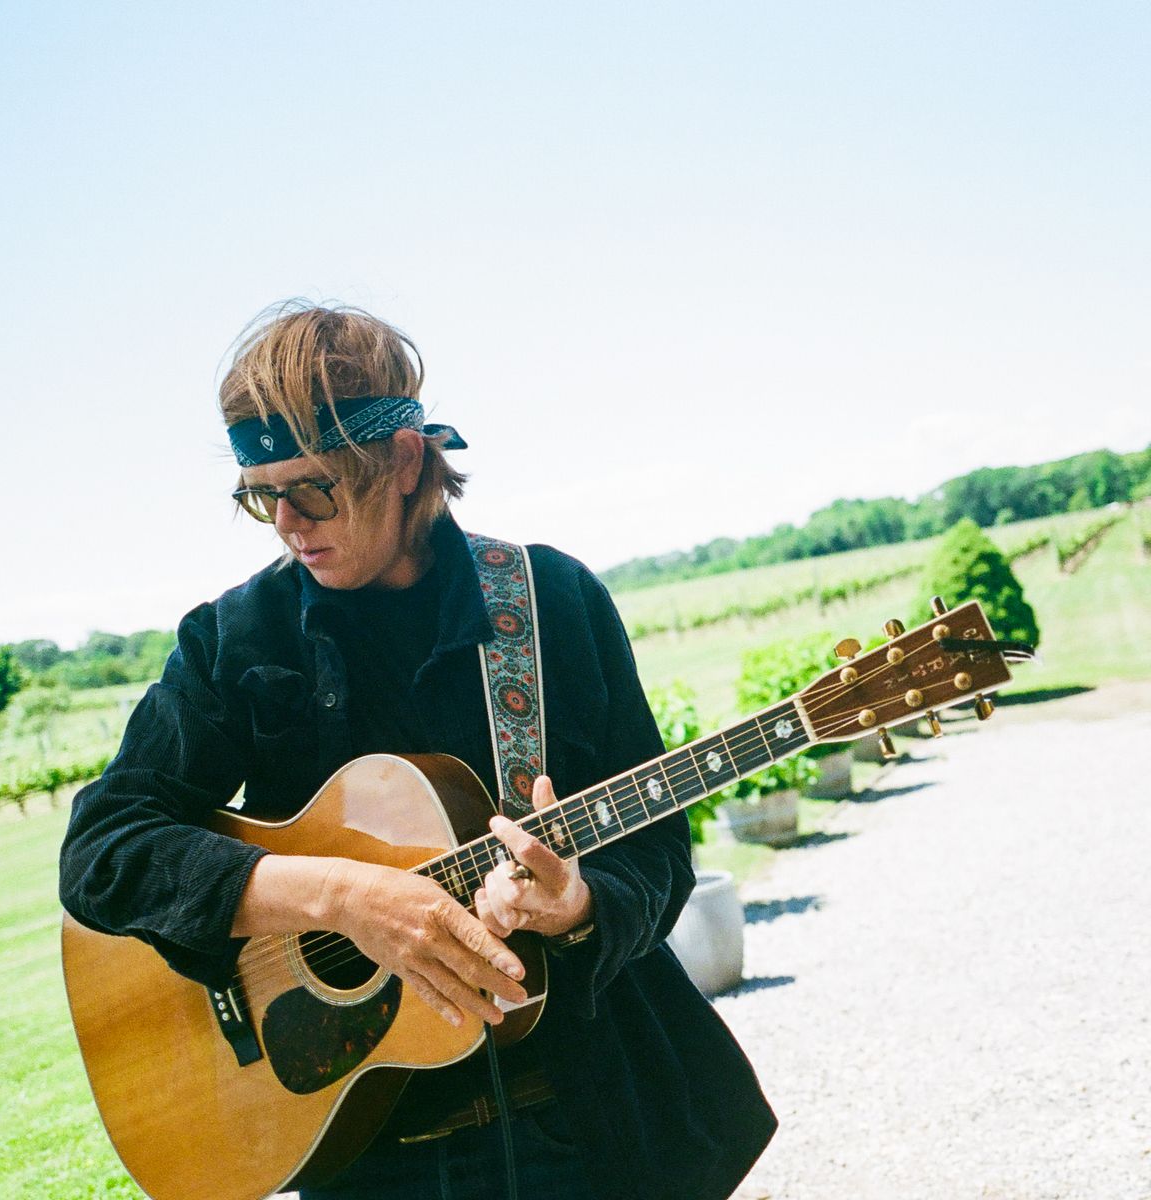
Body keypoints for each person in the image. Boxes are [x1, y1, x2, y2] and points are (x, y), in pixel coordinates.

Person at [59, 302, 777, 1200]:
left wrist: (581, 902)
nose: (286, 521)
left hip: (589, 1124)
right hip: (364, 1159)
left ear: (402, 460)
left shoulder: (549, 600)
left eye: (313, 488)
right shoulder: (238, 639)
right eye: (260, 494)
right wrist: (339, 899)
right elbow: (103, 851)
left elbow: (659, 854)